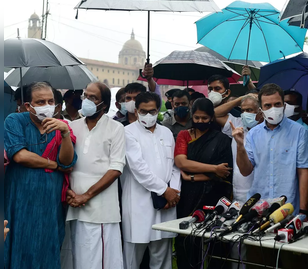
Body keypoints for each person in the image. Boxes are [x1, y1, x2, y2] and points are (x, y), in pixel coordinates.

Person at [4, 81, 77, 269]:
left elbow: (67, 162)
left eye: (50, 101)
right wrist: (54, 165)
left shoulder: (61, 126)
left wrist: (65, 134)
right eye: (41, 102)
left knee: (48, 245)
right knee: (20, 244)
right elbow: (20, 155)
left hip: (50, 203)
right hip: (21, 200)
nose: (47, 106)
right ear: (29, 106)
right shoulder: (15, 120)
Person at [66, 82, 125, 269]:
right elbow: (66, 164)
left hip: (100, 209)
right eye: (86, 96)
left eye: (93, 98)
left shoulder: (116, 128)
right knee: (76, 256)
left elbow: (116, 168)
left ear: (104, 105)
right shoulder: (72, 126)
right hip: (73, 204)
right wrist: (69, 192)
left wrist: (86, 195)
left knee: (99, 260)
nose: (87, 101)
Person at [232, 83, 308, 217]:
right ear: (261, 109)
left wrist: (303, 211)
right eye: (268, 106)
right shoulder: (253, 134)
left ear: (284, 106)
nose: (273, 109)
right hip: (257, 208)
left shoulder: (300, 133)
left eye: (277, 104)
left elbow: (303, 173)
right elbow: (246, 171)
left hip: (287, 209)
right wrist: (240, 146)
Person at [122, 92, 181, 269]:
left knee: (162, 255)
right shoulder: (127, 132)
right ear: (136, 111)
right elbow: (138, 167)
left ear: (158, 110)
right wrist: (165, 190)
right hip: (138, 203)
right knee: (132, 258)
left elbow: (175, 165)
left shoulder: (167, 132)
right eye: (143, 111)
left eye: (152, 111)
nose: (148, 115)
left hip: (167, 203)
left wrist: (175, 192)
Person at [174, 98, 233, 269]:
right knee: (187, 238)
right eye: (197, 118)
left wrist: (193, 176)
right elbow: (181, 163)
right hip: (188, 197)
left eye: (204, 118)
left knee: (215, 240)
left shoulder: (222, 140)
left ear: (212, 118)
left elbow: (225, 173)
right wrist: (213, 168)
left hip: (215, 196)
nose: (200, 121)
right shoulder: (184, 135)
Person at [214, 93, 263, 203]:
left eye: (249, 110)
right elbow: (215, 114)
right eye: (243, 110)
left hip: (261, 191)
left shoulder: (266, 130)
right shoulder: (237, 124)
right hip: (239, 190)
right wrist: (241, 98)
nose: (245, 114)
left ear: (260, 111)